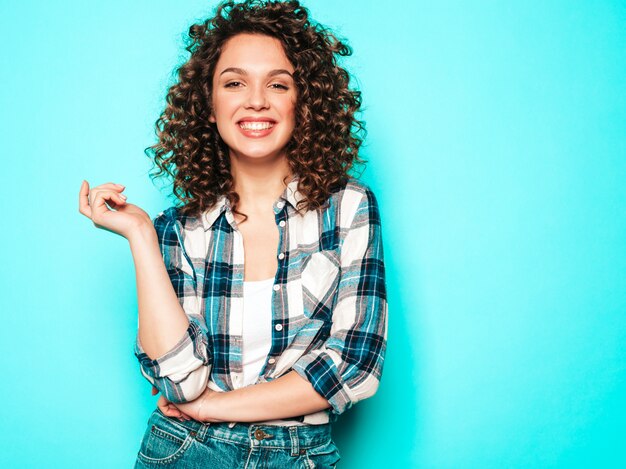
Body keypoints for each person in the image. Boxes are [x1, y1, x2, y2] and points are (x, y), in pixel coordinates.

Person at [78, 0, 388, 466]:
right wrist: (140, 234)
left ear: (302, 104)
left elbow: (354, 366)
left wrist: (210, 408)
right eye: (235, 82)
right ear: (209, 105)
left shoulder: (348, 207)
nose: (256, 100)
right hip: (183, 450)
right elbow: (180, 382)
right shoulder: (175, 230)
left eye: (278, 84)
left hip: (298, 453)